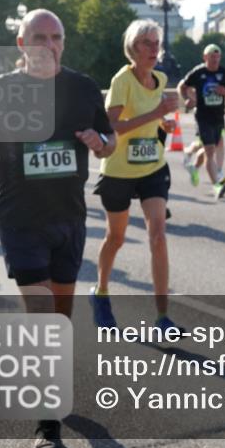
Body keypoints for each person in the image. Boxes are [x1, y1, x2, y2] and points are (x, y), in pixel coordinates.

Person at [0, 9, 116, 448]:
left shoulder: (83, 87)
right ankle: (48, 425)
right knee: (43, 313)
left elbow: (110, 140)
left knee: (60, 318)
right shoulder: (0, 90)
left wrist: (100, 144)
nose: (49, 44)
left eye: (56, 37)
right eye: (39, 37)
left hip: (68, 216)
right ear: (21, 44)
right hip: (20, 217)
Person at [89, 19, 181, 332]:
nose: (154, 49)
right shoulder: (121, 81)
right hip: (118, 170)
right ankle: (100, 293)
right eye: (147, 43)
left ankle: (162, 317)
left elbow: (151, 122)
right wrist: (156, 115)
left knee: (158, 235)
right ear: (133, 48)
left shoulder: (161, 77)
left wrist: (162, 125)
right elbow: (110, 127)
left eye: (157, 43)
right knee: (116, 237)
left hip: (153, 167)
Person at [178, 44, 225, 200]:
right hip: (203, 116)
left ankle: (193, 167)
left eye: (217, 57)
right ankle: (217, 185)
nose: (215, 60)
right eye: (212, 57)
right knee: (210, 151)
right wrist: (187, 99)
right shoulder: (199, 73)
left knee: (209, 149)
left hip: (218, 116)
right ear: (205, 58)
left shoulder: (224, 73)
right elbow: (182, 86)